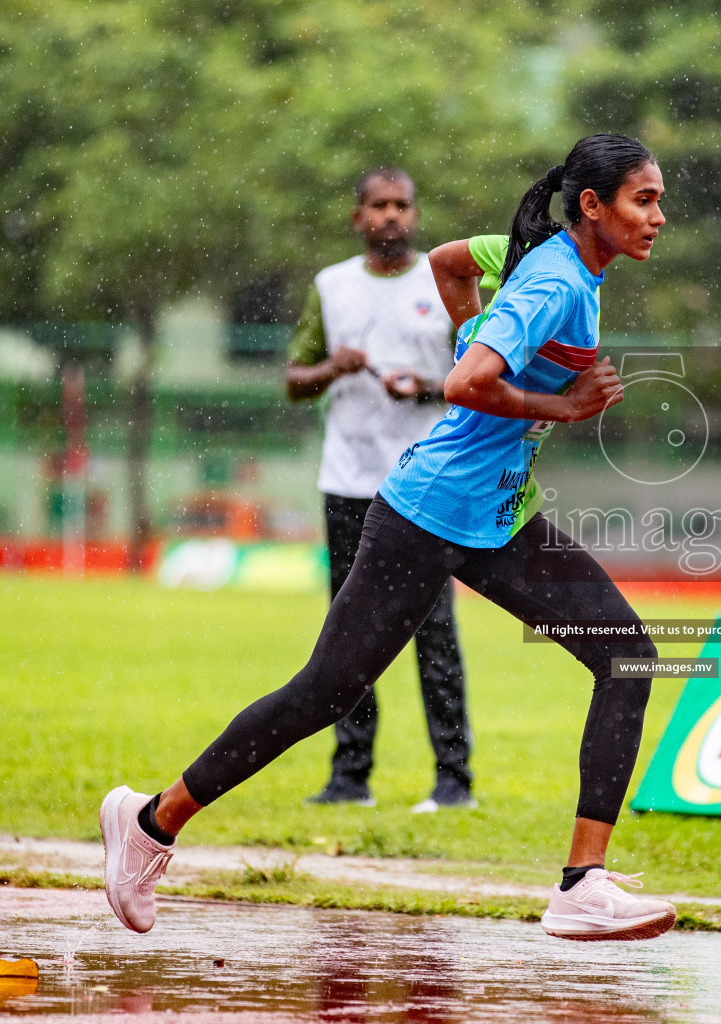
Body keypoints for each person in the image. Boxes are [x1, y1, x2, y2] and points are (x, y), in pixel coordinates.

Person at [99, 133, 676, 942]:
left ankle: (581, 884)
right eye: (643, 200)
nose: (658, 217)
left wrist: (489, 335)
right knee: (326, 692)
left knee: (625, 658)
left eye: (657, 200)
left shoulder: (544, 257)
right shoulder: (551, 282)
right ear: (593, 205)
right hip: (424, 515)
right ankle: (149, 823)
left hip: (495, 517)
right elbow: (464, 381)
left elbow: (446, 262)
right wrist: (562, 405)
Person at [286, 166, 475, 813]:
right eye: (378, 205)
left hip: (425, 483)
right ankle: (350, 778)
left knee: (435, 631)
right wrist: (329, 366)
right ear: (358, 216)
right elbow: (293, 378)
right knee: (349, 633)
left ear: (415, 216)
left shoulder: (445, 281)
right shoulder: (331, 286)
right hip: (347, 483)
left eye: (401, 206)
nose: (391, 216)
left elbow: (476, 376)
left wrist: (424, 387)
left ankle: (454, 782)